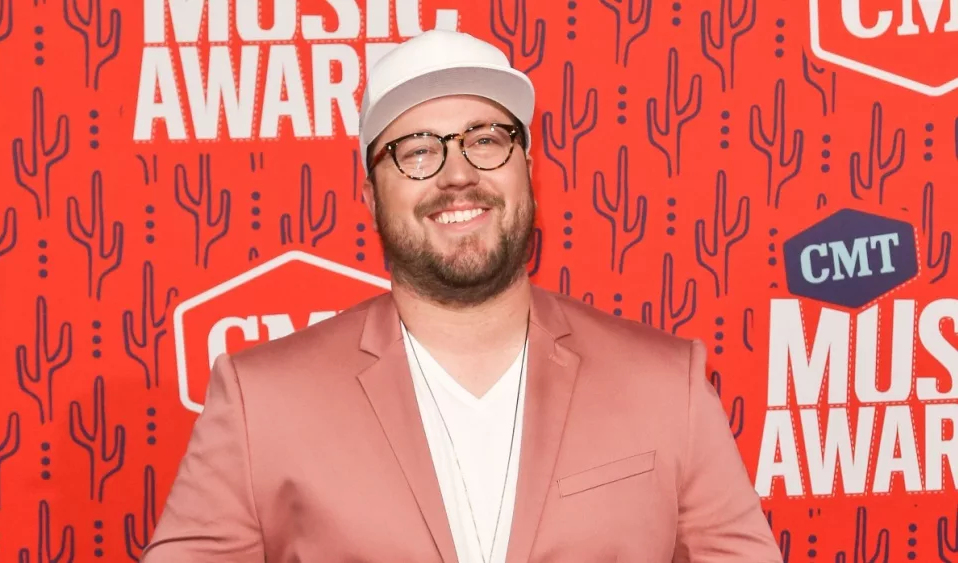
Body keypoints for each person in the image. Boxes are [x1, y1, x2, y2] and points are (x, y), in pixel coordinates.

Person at [142, 29, 783, 563]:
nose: (457, 174)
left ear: (527, 170)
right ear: (369, 194)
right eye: (417, 150)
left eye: (486, 140)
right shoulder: (262, 402)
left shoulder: (666, 382)